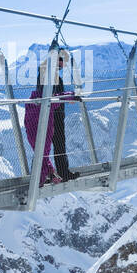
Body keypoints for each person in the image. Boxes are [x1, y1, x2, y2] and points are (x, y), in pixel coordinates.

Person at [24, 51, 81, 185]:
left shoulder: (50, 74)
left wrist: (67, 97)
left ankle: (58, 172)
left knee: (51, 144)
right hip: (51, 113)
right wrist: (69, 97)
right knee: (47, 145)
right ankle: (44, 174)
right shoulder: (47, 75)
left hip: (54, 111)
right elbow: (49, 95)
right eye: (62, 61)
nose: (64, 64)